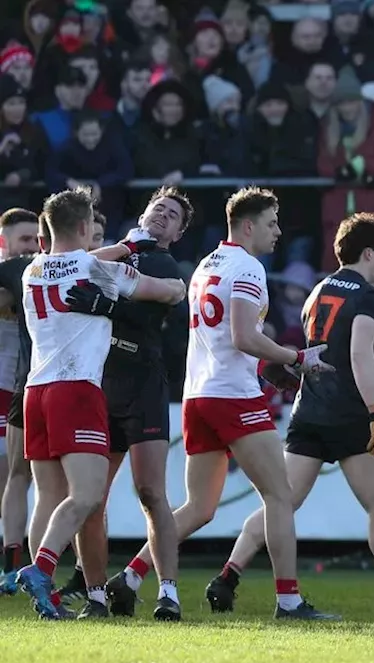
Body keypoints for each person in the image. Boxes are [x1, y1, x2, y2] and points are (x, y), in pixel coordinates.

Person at [107, 187, 339, 621]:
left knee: (200, 508)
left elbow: (226, 340)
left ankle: (132, 576)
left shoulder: (205, 265)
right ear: (248, 226)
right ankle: (289, 601)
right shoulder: (248, 267)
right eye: (271, 223)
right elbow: (242, 337)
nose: (278, 232)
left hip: (199, 394)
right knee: (280, 496)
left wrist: (269, 368)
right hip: (233, 396)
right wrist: (296, 358)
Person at [208, 213, 374, 617]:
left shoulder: (316, 290)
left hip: (310, 409)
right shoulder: (370, 296)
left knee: (280, 502)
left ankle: (228, 575)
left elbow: (327, 349)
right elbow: (355, 354)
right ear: (368, 252)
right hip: (352, 413)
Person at [9, 187, 185, 620]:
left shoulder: (32, 269)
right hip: (77, 389)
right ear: (86, 227)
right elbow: (167, 292)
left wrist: (124, 246)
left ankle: (45, 601)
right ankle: (42, 568)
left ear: (46, 229)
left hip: (36, 391)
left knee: (48, 498)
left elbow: (80, 258)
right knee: (86, 495)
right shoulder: (97, 271)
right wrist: (174, 282)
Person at [0, 209, 43, 596]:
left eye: (36, 239)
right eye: (24, 240)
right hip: (9, 388)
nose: (32, 246)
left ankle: (15, 566)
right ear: (4, 242)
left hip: (21, 388)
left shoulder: (37, 274)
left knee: (17, 477)